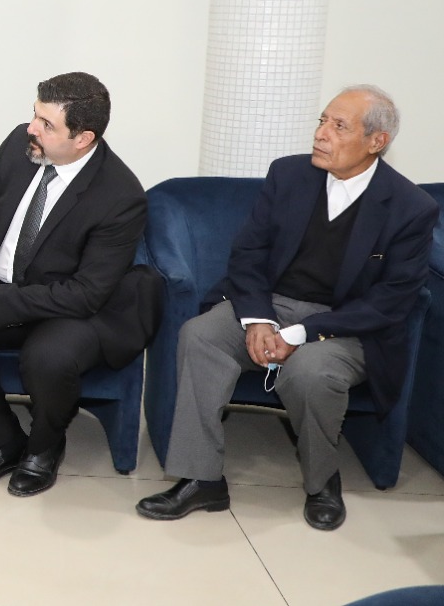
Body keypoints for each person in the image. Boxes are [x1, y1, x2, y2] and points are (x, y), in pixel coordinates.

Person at [137, 86, 437, 531]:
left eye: (339, 126)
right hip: (271, 303)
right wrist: (258, 318)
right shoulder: (289, 174)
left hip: (346, 325)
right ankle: (201, 478)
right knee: (200, 335)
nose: (321, 134)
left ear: (377, 141)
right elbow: (249, 253)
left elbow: (391, 300)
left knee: (310, 372)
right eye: (322, 121)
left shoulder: (411, 208)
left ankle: (321, 481)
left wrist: (302, 333)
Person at [0, 72, 157, 497]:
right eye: (34, 115)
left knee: (48, 356)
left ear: (83, 138)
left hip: (67, 310)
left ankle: (44, 447)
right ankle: (1, 442)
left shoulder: (121, 197)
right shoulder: (21, 143)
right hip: (0, 289)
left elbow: (87, 294)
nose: (32, 128)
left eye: (47, 124)